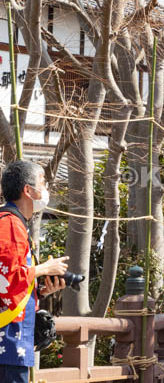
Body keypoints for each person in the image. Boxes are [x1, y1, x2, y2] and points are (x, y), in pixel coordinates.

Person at [0, 161, 68, 383]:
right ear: (28, 191)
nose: (46, 189)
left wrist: (40, 290)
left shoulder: (14, 223)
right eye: (43, 183)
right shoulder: (10, 225)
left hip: (12, 337)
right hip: (8, 339)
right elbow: (6, 280)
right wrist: (43, 268)